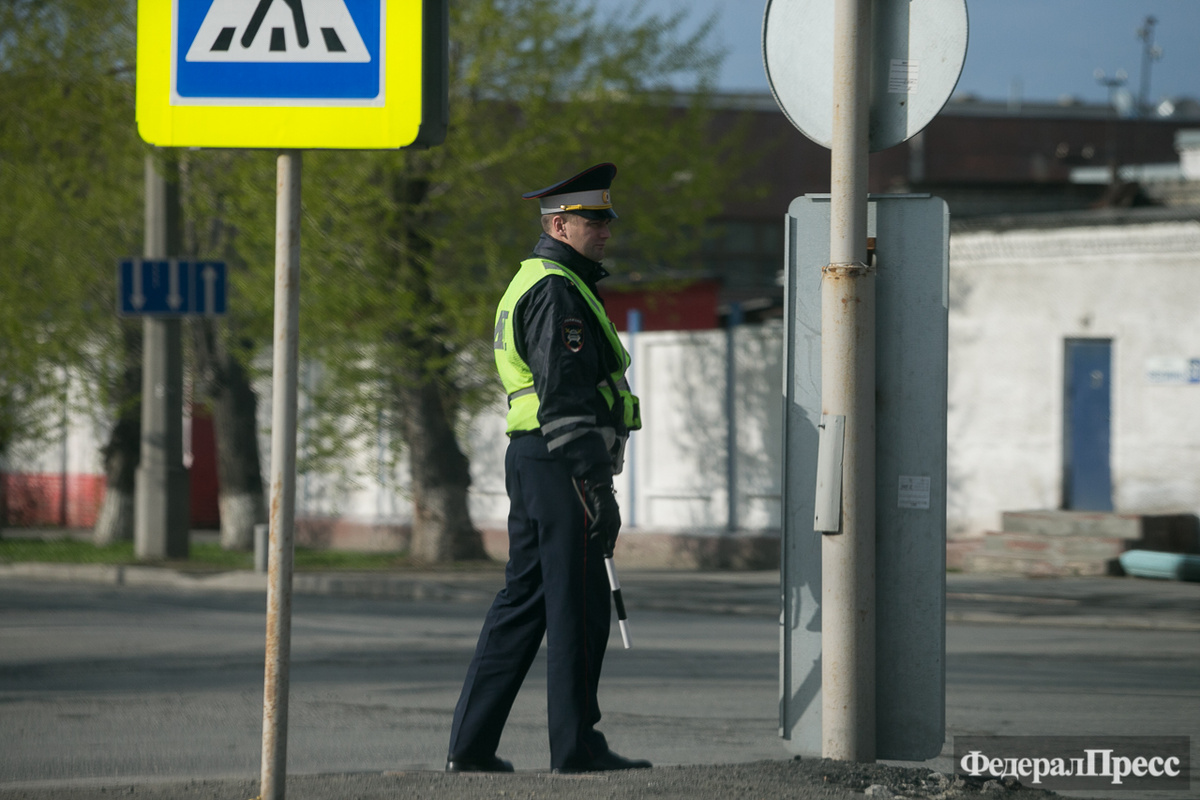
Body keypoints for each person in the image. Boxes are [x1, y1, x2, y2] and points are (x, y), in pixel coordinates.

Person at [446, 163, 649, 774]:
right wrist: (593, 482)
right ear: (560, 225)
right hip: (560, 462)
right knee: (577, 605)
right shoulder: (556, 288)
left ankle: (472, 747)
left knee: (524, 603)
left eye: (607, 218)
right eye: (594, 220)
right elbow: (563, 396)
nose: (606, 230)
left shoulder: (540, 280)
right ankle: (577, 748)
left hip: (535, 460)